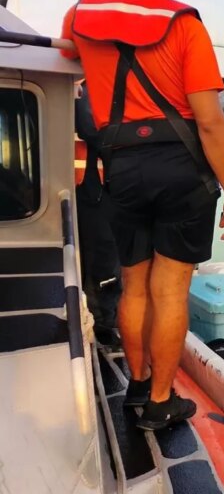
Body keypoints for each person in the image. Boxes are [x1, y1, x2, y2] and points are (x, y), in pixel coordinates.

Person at [61, 0, 224, 430]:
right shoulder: (185, 25)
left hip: (119, 165)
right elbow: (209, 121)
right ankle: (161, 402)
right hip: (181, 169)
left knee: (133, 286)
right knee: (170, 293)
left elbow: (69, 67)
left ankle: (137, 386)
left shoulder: (81, 13)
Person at [74, 81, 122, 347]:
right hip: (92, 189)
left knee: (104, 260)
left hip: (98, 188)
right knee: (102, 261)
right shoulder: (89, 86)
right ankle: (101, 325)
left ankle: (102, 320)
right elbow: (91, 129)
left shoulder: (90, 85)